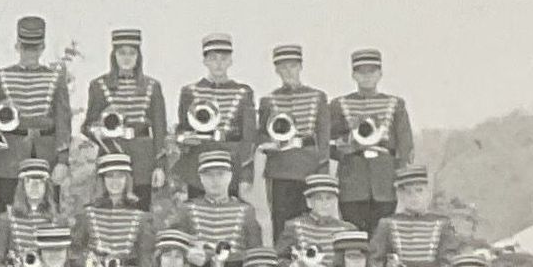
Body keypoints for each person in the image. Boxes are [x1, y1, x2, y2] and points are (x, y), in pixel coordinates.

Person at [0, 15, 66, 212]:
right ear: (17, 46)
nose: (30, 53)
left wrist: (62, 160)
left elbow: (63, 120)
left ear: (42, 47)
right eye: (26, 47)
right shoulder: (0, 77)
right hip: (10, 153)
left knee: (48, 209)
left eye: (34, 48)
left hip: (46, 152)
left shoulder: (55, 78)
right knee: (9, 210)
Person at [326, 48, 413, 239]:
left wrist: (401, 178)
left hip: (384, 182)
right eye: (361, 72)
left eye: (371, 71)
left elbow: (405, 145)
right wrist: (345, 149)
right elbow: (325, 141)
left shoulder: (395, 104)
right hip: (352, 182)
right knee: (354, 235)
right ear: (354, 75)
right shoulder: (339, 105)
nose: (366, 77)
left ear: (380, 74)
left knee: (382, 236)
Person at [80, 27, 168, 209]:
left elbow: (160, 130)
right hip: (112, 154)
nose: (127, 58)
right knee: (110, 207)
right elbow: (87, 126)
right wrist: (100, 132)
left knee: (141, 210)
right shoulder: (99, 85)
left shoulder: (152, 86)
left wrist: (160, 166)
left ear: (138, 56)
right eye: (121, 53)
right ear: (114, 56)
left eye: (131, 53)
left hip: (143, 158)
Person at [257, 44, 331, 236]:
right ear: (276, 70)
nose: (288, 71)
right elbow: (261, 134)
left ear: (300, 67)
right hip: (280, 169)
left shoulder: (317, 97)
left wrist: (323, 171)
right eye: (283, 67)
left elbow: (324, 137)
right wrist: (269, 143)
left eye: (292, 66)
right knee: (281, 224)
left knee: (312, 223)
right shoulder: (269, 100)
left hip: (309, 167)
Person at [170, 33, 256, 199]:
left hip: (230, 165)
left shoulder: (243, 92)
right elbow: (182, 130)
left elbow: (249, 138)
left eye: (223, 59)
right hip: (198, 165)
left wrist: (245, 175)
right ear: (205, 61)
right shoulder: (189, 92)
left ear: (230, 61)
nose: (218, 64)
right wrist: (185, 139)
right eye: (213, 58)